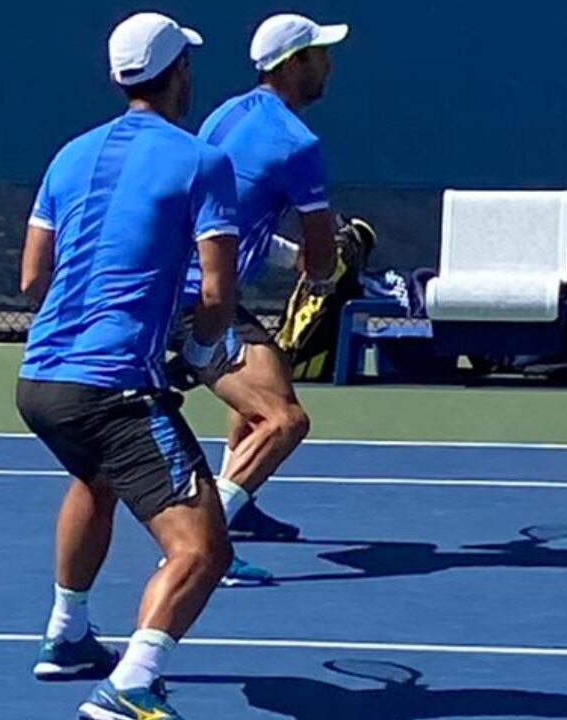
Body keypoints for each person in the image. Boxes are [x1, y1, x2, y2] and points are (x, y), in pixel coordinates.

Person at [15, 12, 241, 720]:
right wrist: (201, 348)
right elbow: (216, 290)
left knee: (98, 479)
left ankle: (67, 635)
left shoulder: (68, 156)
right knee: (203, 550)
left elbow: (32, 279)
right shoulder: (203, 160)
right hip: (114, 389)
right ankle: (130, 685)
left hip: (40, 384)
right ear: (179, 74)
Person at [171, 13, 350, 586]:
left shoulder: (227, 113)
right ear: (295, 64)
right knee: (284, 419)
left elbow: (223, 211)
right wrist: (324, 272)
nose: (329, 63)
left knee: (263, 388)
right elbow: (322, 258)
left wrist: (286, 259)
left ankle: (238, 507)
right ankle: (210, 536)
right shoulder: (299, 144)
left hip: (174, 285)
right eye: (320, 53)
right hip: (197, 302)